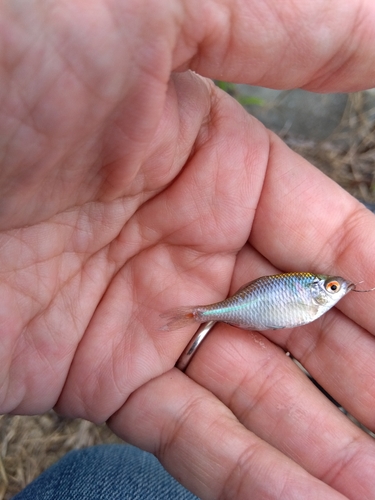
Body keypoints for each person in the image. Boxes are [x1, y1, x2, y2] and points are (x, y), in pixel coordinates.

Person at [3, 0, 375, 498]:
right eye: (331, 286)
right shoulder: (306, 295)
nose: (332, 291)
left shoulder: (305, 295)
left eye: (332, 287)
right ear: (317, 289)